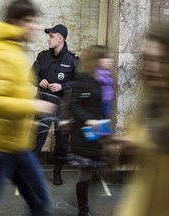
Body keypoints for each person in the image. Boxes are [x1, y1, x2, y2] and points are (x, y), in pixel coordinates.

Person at [0, 0, 55, 215]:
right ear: (15, 22)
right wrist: (31, 104)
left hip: (15, 143)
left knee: (40, 200)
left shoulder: (13, 49)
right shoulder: (1, 52)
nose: (34, 26)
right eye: (29, 21)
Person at [113, 22, 169, 216]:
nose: (152, 67)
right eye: (148, 59)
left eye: (161, 60)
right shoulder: (150, 97)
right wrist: (131, 146)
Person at [66, 45, 114, 216]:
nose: (111, 60)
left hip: (102, 130)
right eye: (106, 57)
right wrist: (89, 119)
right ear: (96, 60)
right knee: (86, 170)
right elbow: (74, 104)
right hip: (86, 132)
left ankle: (81, 198)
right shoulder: (83, 79)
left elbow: (104, 107)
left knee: (101, 168)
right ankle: (83, 209)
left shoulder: (106, 79)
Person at [30, 23, 79, 185]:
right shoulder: (42, 57)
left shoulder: (72, 60)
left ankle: (57, 172)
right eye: (48, 36)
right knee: (36, 141)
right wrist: (40, 81)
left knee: (62, 143)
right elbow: (30, 77)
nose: (48, 39)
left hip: (62, 108)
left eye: (51, 36)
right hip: (42, 105)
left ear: (61, 38)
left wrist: (62, 86)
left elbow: (79, 83)